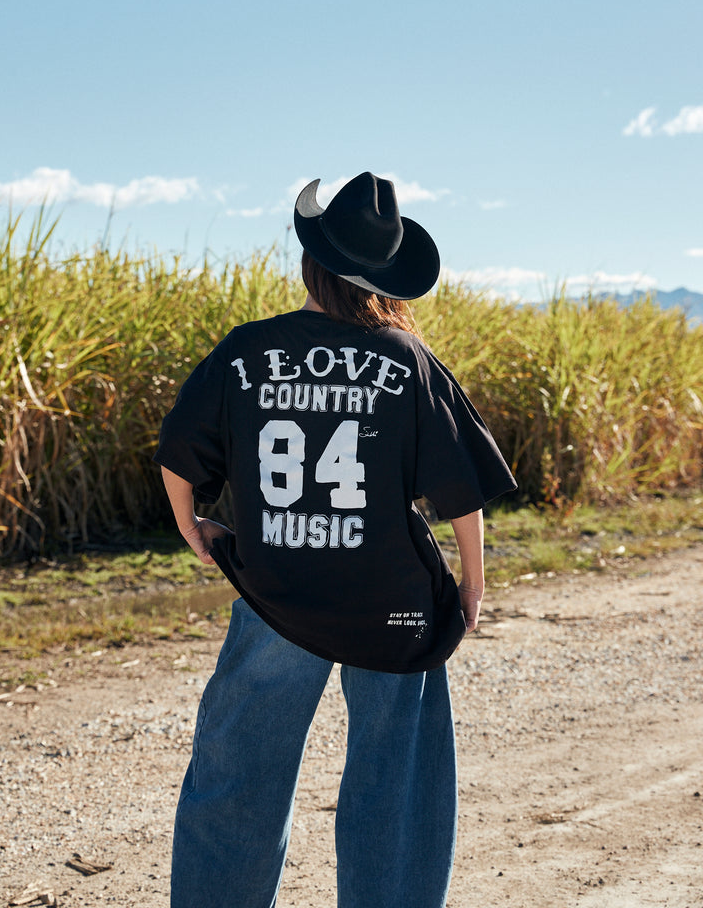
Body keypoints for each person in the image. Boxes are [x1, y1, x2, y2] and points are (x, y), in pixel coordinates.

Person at [155, 171, 517, 908]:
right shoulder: (405, 357)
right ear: (383, 276)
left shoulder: (247, 350)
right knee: (396, 777)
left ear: (308, 264)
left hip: (277, 592)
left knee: (238, 771)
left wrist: (194, 528)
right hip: (394, 602)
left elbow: (177, 455)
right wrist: (472, 584)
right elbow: (461, 491)